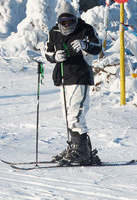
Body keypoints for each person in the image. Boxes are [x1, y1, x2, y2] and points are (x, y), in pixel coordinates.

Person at [44, 9, 103, 165]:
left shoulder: (85, 29)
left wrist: (85, 45)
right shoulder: (54, 32)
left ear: (75, 19)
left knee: (75, 113)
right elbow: (47, 52)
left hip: (80, 75)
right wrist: (54, 57)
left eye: (70, 21)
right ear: (58, 22)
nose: (67, 25)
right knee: (67, 114)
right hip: (63, 76)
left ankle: (82, 151)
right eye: (63, 22)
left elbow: (98, 47)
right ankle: (75, 146)